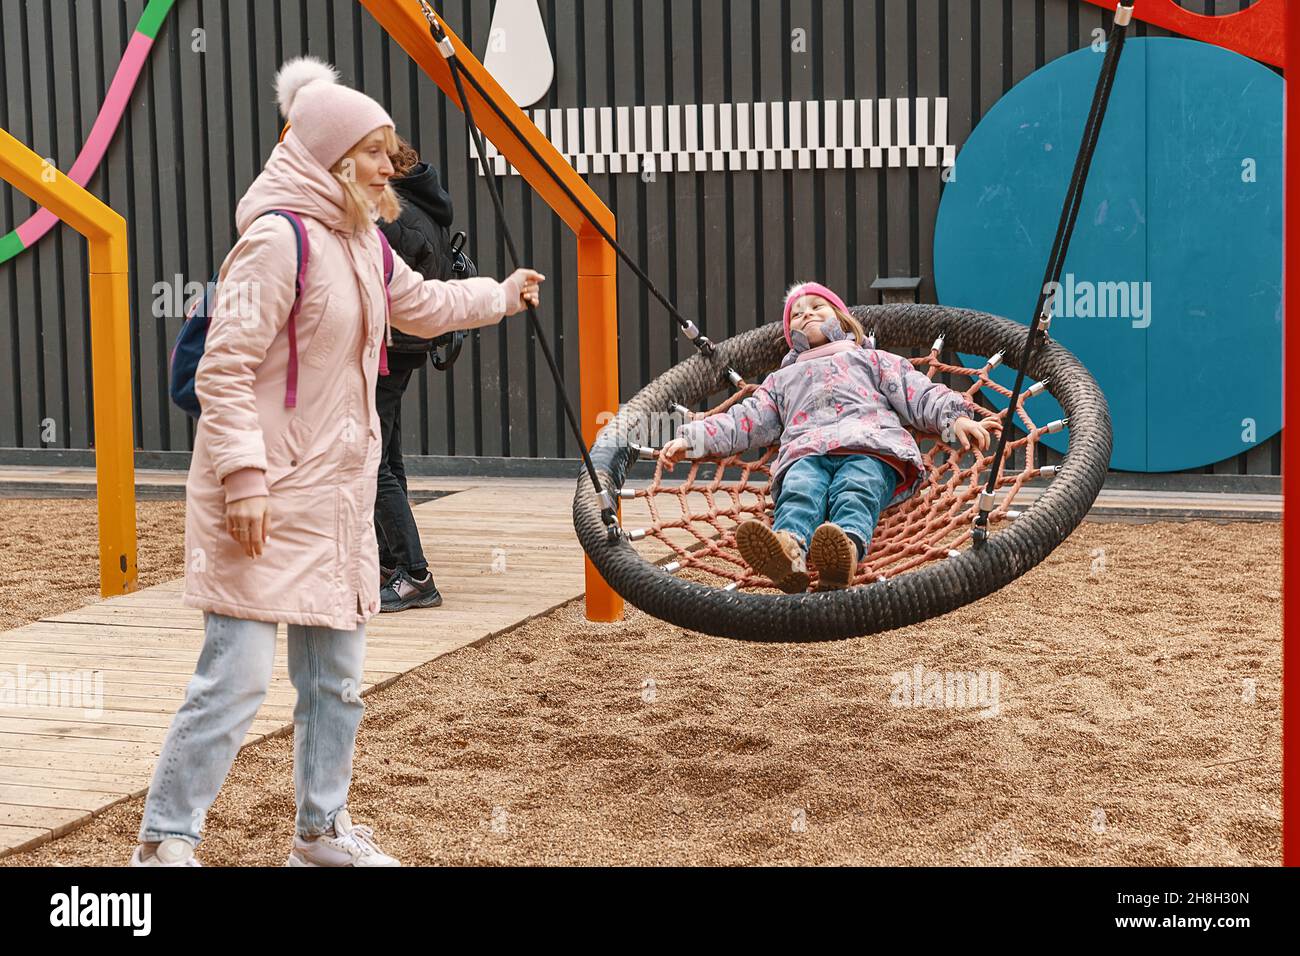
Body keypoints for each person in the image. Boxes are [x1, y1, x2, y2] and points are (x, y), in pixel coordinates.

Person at [130, 56, 544, 867]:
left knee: (336, 687)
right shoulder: (276, 241)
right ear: (334, 153)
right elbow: (223, 368)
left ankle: (321, 833)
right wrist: (244, 479)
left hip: (335, 500)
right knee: (235, 682)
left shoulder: (360, 240)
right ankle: (165, 842)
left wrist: (497, 294)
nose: (393, 165)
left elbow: (421, 304)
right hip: (262, 496)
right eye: (379, 149)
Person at [659, 282, 998, 593]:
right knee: (799, 492)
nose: (806, 313)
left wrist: (955, 420)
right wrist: (695, 439)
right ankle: (788, 552)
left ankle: (845, 551)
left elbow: (919, 394)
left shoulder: (872, 360)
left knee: (856, 490)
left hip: (870, 446)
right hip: (805, 452)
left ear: (842, 319)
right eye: (797, 313)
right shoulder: (781, 380)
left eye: (817, 307)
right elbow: (744, 421)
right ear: (790, 333)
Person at [373, 136, 472, 612]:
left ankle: (413, 574)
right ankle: (394, 564)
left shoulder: (393, 215)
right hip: (407, 345)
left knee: (368, 462)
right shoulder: (424, 205)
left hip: (389, 347)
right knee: (386, 456)